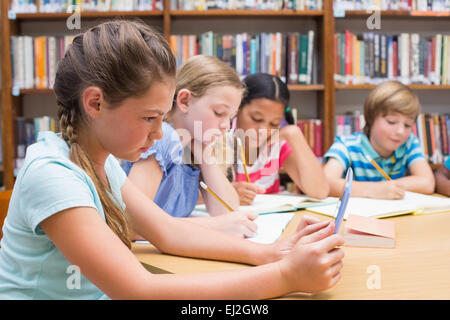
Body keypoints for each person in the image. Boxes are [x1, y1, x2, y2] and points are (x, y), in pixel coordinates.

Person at [0, 20, 344, 299]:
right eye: (149, 118)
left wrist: (269, 253)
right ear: (95, 103)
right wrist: (285, 276)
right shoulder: (54, 176)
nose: (159, 133)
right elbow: (138, 289)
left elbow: (168, 232)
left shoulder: (99, 161)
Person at [123, 55, 259, 238]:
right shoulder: (163, 138)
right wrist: (211, 226)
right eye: (219, 113)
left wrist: (203, 152)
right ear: (185, 101)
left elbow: (227, 211)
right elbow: (131, 224)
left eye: (231, 117)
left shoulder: (191, 145)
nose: (226, 125)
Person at [220, 73, 329, 205]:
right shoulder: (220, 138)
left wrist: (293, 134)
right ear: (237, 108)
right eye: (256, 119)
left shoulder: (278, 144)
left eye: (274, 123)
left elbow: (320, 191)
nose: (263, 130)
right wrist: (229, 193)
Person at [324, 80, 435, 199]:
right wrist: (373, 190)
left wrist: (388, 187)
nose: (400, 132)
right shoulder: (346, 146)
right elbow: (325, 183)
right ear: (371, 118)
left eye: (407, 125)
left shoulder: (409, 143)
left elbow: (427, 183)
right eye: (391, 122)